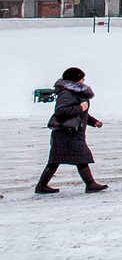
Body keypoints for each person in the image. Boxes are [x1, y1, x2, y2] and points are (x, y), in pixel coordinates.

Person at [35, 66, 108, 194]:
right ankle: (90, 184)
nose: (83, 81)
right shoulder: (66, 93)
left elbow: (81, 114)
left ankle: (42, 185)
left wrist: (93, 122)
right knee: (79, 157)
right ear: (74, 80)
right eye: (81, 79)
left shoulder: (74, 92)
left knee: (57, 160)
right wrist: (80, 107)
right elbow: (61, 111)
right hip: (66, 133)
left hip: (71, 132)